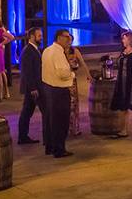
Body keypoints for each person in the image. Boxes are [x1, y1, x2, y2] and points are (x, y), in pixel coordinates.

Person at [41, 29, 74, 158]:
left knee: (50, 119)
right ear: (59, 38)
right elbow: (62, 73)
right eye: (67, 37)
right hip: (59, 91)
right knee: (61, 121)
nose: (69, 40)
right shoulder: (58, 53)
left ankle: (50, 146)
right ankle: (59, 149)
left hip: (48, 88)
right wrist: (71, 73)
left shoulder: (47, 50)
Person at [17, 27, 45, 145]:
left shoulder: (34, 49)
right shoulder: (28, 51)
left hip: (34, 87)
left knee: (27, 112)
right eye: (39, 36)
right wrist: (33, 88)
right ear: (32, 37)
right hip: (32, 88)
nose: (41, 38)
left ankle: (23, 137)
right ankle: (23, 137)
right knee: (38, 110)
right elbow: (27, 71)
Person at [65, 39, 89, 137]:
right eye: (68, 40)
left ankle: (74, 128)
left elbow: (83, 64)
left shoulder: (75, 51)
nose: (69, 42)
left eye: (71, 40)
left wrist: (89, 75)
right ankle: (64, 128)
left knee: (73, 104)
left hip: (72, 81)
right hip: (61, 80)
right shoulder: (59, 51)